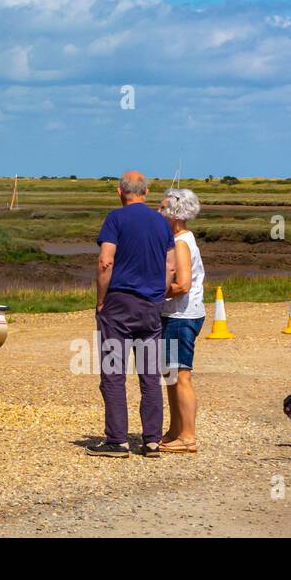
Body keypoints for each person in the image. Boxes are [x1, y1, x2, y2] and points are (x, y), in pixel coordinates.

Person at [87, 170, 176, 458]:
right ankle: (151, 440)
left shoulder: (115, 219)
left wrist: (101, 300)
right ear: (146, 192)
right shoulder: (162, 224)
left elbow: (105, 262)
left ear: (119, 192)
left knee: (113, 373)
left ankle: (117, 440)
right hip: (151, 307)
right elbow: (170, 267)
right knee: (150, 375)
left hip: (119, 305)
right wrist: (158, 295)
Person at [157, 187, 204, 453]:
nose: (158, 211)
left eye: (162, 208)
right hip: (176, 314)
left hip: (181, 315)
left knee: (181, 375)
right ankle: (175, 429)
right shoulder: (181, 238)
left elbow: (183, 284)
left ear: (174, 213)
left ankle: (188, 436)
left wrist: (155, 290)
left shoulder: (181, 243)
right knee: (172, 375)